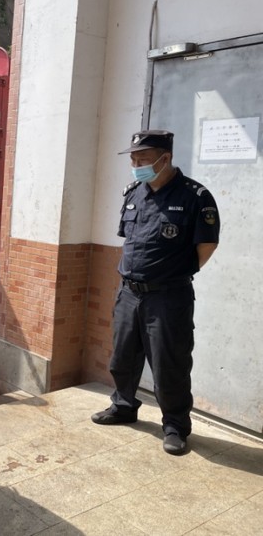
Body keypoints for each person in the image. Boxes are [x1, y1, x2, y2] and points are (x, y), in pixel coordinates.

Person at [91, 130, 220, 456]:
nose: (136, 166)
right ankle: (123, 406)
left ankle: (175, 425)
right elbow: (131, 240)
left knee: (169, 365)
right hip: (129, 293)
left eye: (143, 160)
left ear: (165, 158)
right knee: (122, 357)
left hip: (168, 297)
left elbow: (207, 245)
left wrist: (172, 274)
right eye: (134, 160)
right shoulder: (134, 192)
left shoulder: (195, 196)